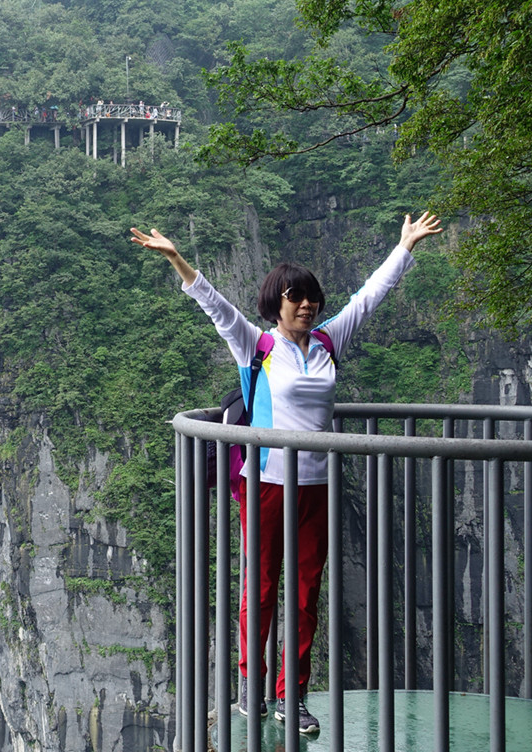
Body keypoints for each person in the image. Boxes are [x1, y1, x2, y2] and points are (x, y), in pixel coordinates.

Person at [129, 211, 442, 735]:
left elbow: (369, 296)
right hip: (266, 485)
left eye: (311, 297)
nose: (306, 304)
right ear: (276, 303)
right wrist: (177, 259)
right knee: (262, 587)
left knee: (305, 591)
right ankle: (252, 687)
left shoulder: (327, 344)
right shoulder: (258, 347)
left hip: (316, 486)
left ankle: (290, 696)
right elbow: (215, 307)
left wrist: (405, 246)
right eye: (295, 297)